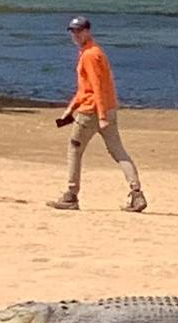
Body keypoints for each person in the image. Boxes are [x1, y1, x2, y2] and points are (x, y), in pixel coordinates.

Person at [47, 16, 147, 212]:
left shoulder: (90, 55)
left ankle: (71, 195)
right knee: (118, 152)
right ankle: (136, 193)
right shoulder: (93, 51)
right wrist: (69, 109)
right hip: (106, 109)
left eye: (78, 31)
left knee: (74, 150)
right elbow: (85, 89)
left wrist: (101, 116)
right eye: (73, 31)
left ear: (87, 31)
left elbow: (97, 88)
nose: (75, 35)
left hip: (92, 112)